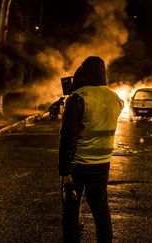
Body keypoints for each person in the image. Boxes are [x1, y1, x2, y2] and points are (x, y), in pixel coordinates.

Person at [58, 56, 123, 242]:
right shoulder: (114, 98)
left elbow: (67, 138)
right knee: (101, 210)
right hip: (102, 165)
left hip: (78, 165)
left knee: (71, 212)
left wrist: (64, 171)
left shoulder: (78, 98)